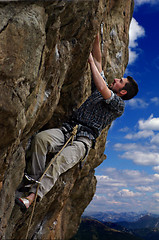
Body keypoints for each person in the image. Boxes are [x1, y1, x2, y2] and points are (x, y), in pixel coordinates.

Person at [16, 32, 138, 210]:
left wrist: (89, 61)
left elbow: (101, 83)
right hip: (68, 129)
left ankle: (33, 196)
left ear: (123, 92)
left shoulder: (118, 105)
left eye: (120, 81)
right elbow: (98, 61)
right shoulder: (102, 92)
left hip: (83, 141)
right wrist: (96, 39)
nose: (116, 79)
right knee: (41, 140)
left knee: (58, 163)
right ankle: (32, 180)